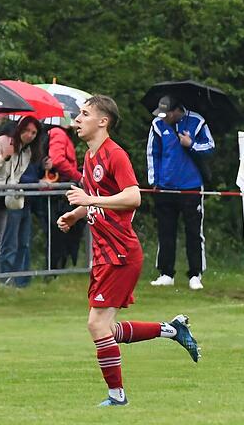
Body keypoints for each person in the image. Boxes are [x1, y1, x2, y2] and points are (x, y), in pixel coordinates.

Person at [56, 95, 200, 406]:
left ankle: (117, 396)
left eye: (84, 114)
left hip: (120, 253)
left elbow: (133, 197)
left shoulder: (115, 155)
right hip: (107, 254)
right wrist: (76, 214)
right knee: (107, 328)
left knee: (96, 325)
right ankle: (172, 331)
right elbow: (93, 196)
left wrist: (89, 202)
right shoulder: (90, 157)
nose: (77, 120)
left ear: (103, 121)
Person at [147, 95, 215, 290]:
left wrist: (191, 144)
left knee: (194, 232)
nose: (163, 117)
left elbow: (210, 146)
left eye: (166, 113)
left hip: (191, 186)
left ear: (177, 110)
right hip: (165, 187)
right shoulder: (157, 125)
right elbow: (153, 154)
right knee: (165, 231)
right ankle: (166, 273)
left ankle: (195, 274)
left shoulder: (197, 121)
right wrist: (154, 181)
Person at [0, 116, 43, 274]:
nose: (29, 135)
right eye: (26, 131)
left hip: (7, 197)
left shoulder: (28, 151)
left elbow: (16, 175)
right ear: (19, 129)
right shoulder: (2, 141)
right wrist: (4, 157)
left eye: (33, 133)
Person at [48, 122, 86, 269]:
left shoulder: (64, 135)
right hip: (60, 192)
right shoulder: (59, 133)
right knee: (60, 234)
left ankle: (61, 269)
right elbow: (58, 159)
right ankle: (56, 270)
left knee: (63, 233)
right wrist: (78, 176)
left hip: (61, 190)